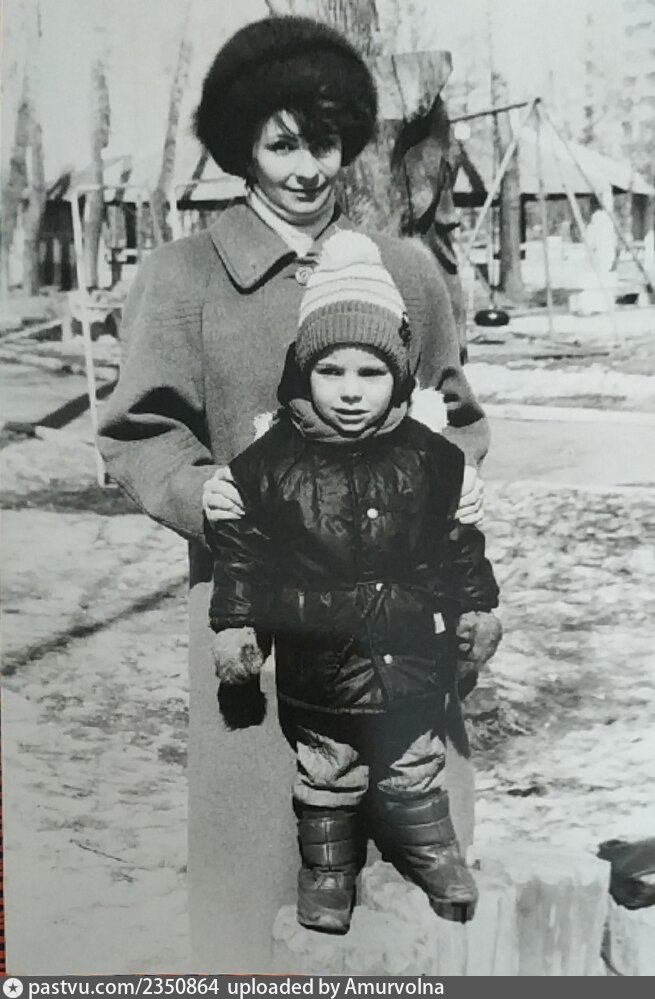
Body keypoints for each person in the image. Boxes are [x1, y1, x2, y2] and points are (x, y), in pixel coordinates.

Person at [97, 15, 491, 968]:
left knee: (413, 901)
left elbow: (457, 415)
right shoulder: (184, 276)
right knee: (261, 898)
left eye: (325, 142)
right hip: (258, 627)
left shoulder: (408, 271)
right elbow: (139, 432)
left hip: (403, 631)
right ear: (242, 147)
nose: (308, 169)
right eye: (282, 146)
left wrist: (452, 491)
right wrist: (204, 492)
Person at [207, 231, 501, 935]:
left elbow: (457, 544)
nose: (348, 390)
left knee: (414, 761)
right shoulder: (271, 463)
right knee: (328, 770)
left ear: (398, 374)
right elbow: (243, 553)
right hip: (320, 659)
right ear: (302, 371)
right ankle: (327, 868)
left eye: (370, 372)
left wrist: (477, 607)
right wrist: (237, 625)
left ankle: (431, 850)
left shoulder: (431, 459)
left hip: (409, 654)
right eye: (329, 370)